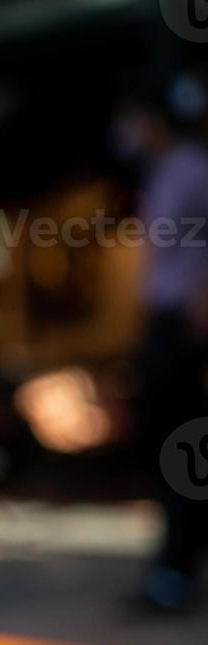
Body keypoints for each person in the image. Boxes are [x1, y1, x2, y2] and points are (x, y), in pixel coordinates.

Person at [115, 84, 208, 613]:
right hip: (162, 322)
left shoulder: (192, 168)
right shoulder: (162, 171)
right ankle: (171, 564)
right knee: (158, 438)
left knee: (178, 442)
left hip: (184, 326)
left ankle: (176, 571)